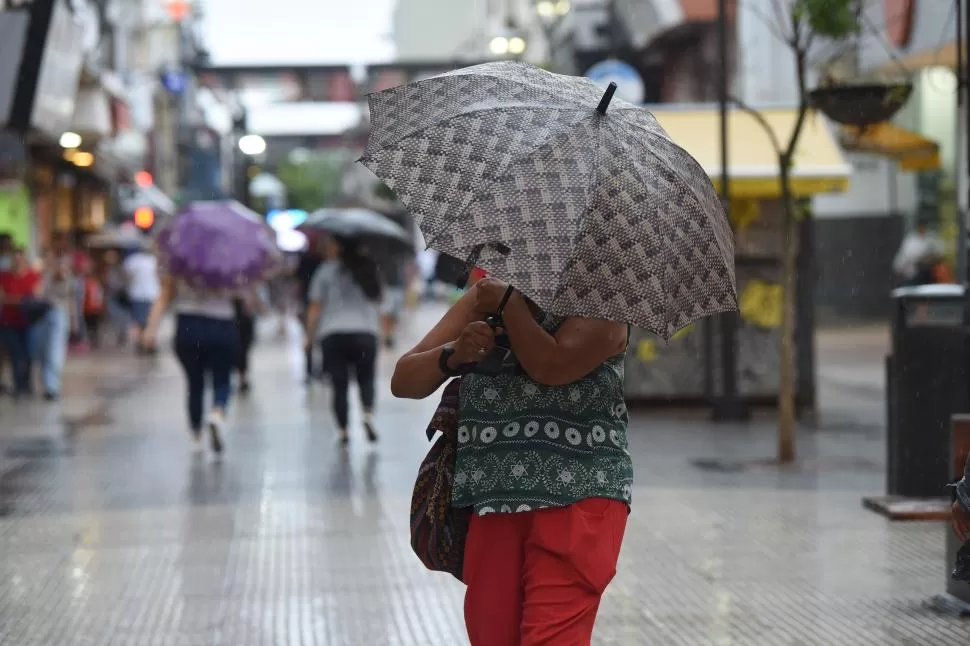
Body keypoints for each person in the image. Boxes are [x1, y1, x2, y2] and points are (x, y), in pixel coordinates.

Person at [390, 276, 632, 645]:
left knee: (552, 638)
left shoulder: (606, 297)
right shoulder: (487, 295)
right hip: (491, 497)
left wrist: (510, 307)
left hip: (578, 496)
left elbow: (551, 365)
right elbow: (404, 379)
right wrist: (453, 353)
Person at [142, 276, 249, 454]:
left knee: (194, 381)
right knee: (222, 378)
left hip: (188, 325)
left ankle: (196, 431)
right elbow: (244, 294)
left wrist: (151, 329)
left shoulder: (181, 259)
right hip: (222, 324)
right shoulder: (228, 260)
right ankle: (217, 412)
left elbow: (165, 295)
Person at [305, 235, 382, 445]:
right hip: (365, 332)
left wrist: (309, 336)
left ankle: (343, 430)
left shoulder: (326, 270)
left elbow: (315, 307)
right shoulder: (368, 268)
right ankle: (367, 414)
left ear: (338, 247)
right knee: (366, 378)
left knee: (339, 385)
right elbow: (379, 299)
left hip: (333, 334)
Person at [35, 247, 76, 399]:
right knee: (42, 352)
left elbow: (70, 298)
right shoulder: (41, 274)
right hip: (40, 315)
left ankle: (52, 387)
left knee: (54, 352)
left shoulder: (62, 274)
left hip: (57, 314)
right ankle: (47, 384)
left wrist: (74, 322)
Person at [0, 248, 42, 396]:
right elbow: (3, 298)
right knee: (17, 354)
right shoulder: (4, 277)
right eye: (14, 260)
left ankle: (27, 385)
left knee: (29, 355)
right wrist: (23, 300)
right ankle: (19, 386)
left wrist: (16, 300)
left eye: (20, 259)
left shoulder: (32, 276)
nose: (17, 262)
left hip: (29, 323)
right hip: (9, 324)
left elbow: (37, 297)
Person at [296, 243, 324, 383]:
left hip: (311, 301)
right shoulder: (324, 261)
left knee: (311, 337)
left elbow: (298, 278)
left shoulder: (307, 258)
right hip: (317, 302)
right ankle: (319, 370)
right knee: (315, 338)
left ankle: (313, 370)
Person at [122, 247, 160, 350]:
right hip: (153, 294)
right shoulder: (154, 261)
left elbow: (126, 275)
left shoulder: (132, 261)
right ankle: (148, 342)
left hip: (138, 294)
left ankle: (141, 342)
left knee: (139, 320)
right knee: (150, 319)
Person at [893, 222, 943, 286]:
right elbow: (904, 259)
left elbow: (939, 252)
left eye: (924, 227)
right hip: (911, 274)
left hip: (927, 275)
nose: (922, 229)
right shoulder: (911, 240)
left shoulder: (930, 238)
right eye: (921, 227)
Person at [81, 259, 105, 348]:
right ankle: (91, 339)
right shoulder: (84, 282)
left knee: (93, 325)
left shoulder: (95, 282)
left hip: (93, 308)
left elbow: (99, 295)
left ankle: (94, 340)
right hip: (87, 307)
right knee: (89, 325)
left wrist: (100, 305)